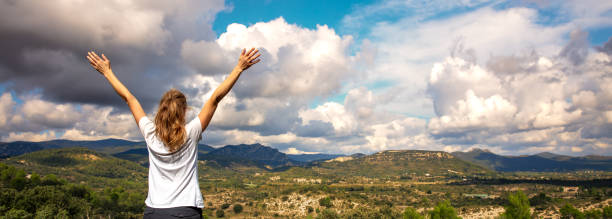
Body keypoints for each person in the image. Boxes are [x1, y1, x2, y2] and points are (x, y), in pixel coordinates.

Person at [86, 48, 261, 218]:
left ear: (161, 110)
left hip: (155, 211)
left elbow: (129, 98)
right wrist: (238, 68)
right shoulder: (190, 133)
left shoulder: (149, 132)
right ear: (184, 111)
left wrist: (107, 72)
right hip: (185, 210)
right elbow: (215, 99)